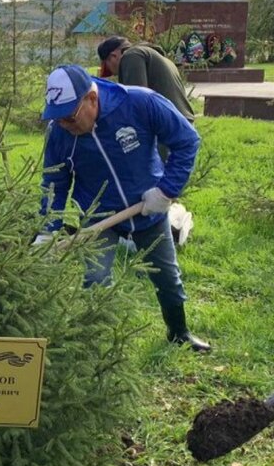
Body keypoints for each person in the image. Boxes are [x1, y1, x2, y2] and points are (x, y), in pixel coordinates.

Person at [37, 64, 211, 353]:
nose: (65, 125)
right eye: (57, 118)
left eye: (69, 116)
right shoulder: (59, 133)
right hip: (98, 217)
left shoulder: (139, 103)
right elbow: (55, 179)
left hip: (148, 209)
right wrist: (47, 230)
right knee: (95, 278)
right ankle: (97, 347)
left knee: (167, 276)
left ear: (91, 99)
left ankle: (179, 333)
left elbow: (187, 141)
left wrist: (166, 191)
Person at [97, 36, 195, 124]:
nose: (113, 73)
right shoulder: (155, 56)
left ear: (113, 56)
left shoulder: (132, 55)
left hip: (169, 128)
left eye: (108, 67)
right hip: (184, 125)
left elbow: (137, 101)